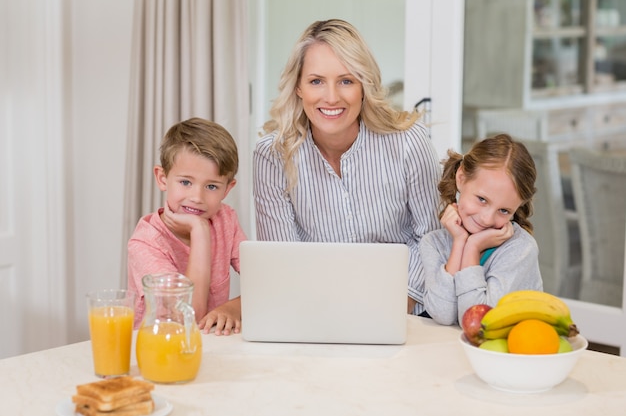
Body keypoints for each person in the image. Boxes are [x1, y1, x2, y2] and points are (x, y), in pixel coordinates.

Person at [253, 19, 441, 315]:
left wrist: (393, 306)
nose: (331, 97)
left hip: (403, 309)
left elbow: (432, 238)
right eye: (316, 81)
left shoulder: (408, 142)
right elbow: (283, 261)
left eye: (346, 80)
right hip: (316, 312)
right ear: (299, 87)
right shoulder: (272, 157)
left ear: (364, 86)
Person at [128, 117, 246, 335]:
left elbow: (265, 282)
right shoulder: (146, 243)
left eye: (211, 186)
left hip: (211, 345)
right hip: (162, 351)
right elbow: (187, 318)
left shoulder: (226, 219)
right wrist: (200, 232)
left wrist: (232, 308)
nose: (197, 197)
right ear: (162, 178)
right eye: (185, 182)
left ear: (227, 190)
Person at [420, 134, 543, 325]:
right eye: (482, 199)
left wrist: (472, 249)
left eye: (504, 210)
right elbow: (442, 314)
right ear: (461, 178)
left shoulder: (520, 249)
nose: (487, 219)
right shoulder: (434, 243)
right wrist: (460, 243)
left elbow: (479, 323)